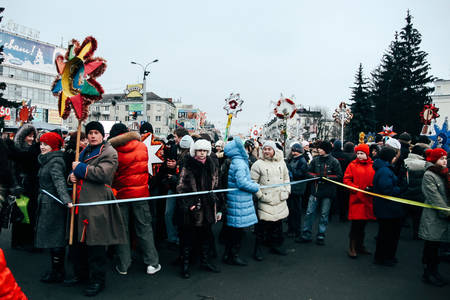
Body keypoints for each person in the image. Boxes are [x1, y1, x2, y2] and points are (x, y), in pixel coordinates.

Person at [69, 121, 127, 296]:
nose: (92, 136)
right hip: (80, 203)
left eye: (96, 132)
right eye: (90, 133)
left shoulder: (109, 152)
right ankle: (81, 275)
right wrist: (70, 177)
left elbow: (103, 174)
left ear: (102, 135)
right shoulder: (84, 150)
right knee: (79, 244)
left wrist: (79, 168)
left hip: (97, 204)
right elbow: (75, 173)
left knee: (96, 245)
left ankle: (97, 281)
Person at [108, 123, 161, 276]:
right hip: (141, 194)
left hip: (121, 194)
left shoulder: (112, 150)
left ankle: (124, 264)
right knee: (144, 228)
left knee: (122, 229)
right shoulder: (141, 146)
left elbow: (112, 174)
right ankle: (152, 263)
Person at [176, 139, 222, 278]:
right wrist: (190, 204)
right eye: (199, 150)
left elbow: (217, 187)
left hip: (208, 207)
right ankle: (185, 265)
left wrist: (218, 208)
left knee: (206, 235)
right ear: (194, 151)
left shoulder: (212, 164)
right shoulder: (188, 165)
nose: (202, 154)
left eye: (204, 151)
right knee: (187, 237)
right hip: (193, 209)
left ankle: (204, 261)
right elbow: (180, 187)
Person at [34, 132, 71, 283]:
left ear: (53, 146)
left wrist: (66, 200)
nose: (42, 147)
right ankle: (56, 270)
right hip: (47, 202)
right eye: (41, 144)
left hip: (53, 205)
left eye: (46, 144)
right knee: (52, 239)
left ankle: (58, 272)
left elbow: (59, 182)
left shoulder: (54, 162)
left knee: (55, 239)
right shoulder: (47, 160)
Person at [222, 136, 260, 266]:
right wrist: (255, 186)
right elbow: (242, 182)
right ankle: (234, 256)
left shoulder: (237, 161)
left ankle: (228, 254)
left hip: (237, 198)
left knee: (234, 229)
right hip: (240, 199)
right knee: (238, 231)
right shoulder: (240, 163)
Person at [251, 140, 290, 260]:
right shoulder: (257, 164)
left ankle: (276, 246)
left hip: (279, 198)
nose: (266, 151)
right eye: (265, 149)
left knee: (277, 225)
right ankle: (258, 250)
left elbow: (286, 178)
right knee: (261, 227)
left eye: (269, 149)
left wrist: (286, 191)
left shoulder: (281, 163)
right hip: (266, 200)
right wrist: (261, 196)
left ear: (274, 150)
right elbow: (253, 182)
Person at [298, 141, 342, 245]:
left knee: (324, 214)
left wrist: (328, 178)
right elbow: (308, 172)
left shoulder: (334, 161)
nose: (318, 150)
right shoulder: (315, 160)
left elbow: (339, 176)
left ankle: (321, 235)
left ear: (326, 149)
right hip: (315, 191)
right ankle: (306, 234)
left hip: (328, 193)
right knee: (309, 213)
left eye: (321, 148)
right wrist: (314, 176)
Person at [419, 148, 450, 287]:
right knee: (431, 246)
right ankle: (428, 273)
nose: (445, 161)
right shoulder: (429, 174)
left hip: (443, 216)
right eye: (442, 158)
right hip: (433, 217)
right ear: (434, 160)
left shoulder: (445, 173)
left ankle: (434, 271)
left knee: (437, 247)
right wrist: (446, 212)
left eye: (445, 158)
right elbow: (434, 196)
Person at [372, 146, 406, 267]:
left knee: (385, 234)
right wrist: (400, 188)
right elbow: (387, 189)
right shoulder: (385, 171)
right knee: (388, 234)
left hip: (386, 207)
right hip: (388, 208)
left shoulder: (383, 169)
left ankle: (383, 256)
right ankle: (385, 257)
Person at [10, 123, 40, 251]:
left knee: (31, 214)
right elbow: (12, 170)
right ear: (22, 137)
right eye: (29, 136)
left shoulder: (34, 150)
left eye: (33, 136)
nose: (31, 139)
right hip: (21, 186)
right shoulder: (16, 150)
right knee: (22, 214)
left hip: (32, 186)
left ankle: (27, 240)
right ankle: (18, 241)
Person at [343, 144, 375, 258]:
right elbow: (346, 179)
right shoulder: (352, 165)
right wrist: (355, 189)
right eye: (358, 153)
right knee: (356, 225)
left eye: (362, 153)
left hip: (367, 199)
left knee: (363, 224)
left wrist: (372, 187)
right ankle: (352, 247)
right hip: (356, 199)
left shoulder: (373, 165)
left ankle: (360, 246)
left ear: (367, 154)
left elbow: (375, 179)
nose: (359, 156)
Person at [404, 144, 428, 240]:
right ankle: (416, 233)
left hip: (406, 192)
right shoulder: (424, 164)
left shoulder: (404, 161)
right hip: (419, 193)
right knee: (417, 216)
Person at [286, 143, 308, 240]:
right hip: (292, 187)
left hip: (297, 188)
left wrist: (290, 171)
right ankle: (291, 229)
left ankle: (296, 230)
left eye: (293, 150)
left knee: (296, 210)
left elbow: (300, 174)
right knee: (291, 209)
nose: (292, 152)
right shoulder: (294, 159)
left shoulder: (302, 161)